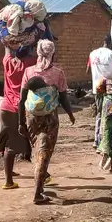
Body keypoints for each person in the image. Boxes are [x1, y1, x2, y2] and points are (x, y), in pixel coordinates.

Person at [18, 39, 75, 204]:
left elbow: (21, 101)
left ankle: (40, 186)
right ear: (52, 54)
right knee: (44, 153)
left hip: (30, 117)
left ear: (38, 52)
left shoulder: (28, 72)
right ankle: (37, 193)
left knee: (38, 150)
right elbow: (64, 98)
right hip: (49, 118)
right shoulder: (58, 73)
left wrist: (20, 122)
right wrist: (70, 114)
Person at [0, 46, 36, 190]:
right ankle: (42, 174)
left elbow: (7, 47)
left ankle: (9, 180)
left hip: (5, 108)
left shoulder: (8, 61)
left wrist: (10, 40)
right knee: (32, 140)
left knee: (10, 145)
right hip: (20, 109)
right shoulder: (30, 63)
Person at [88, 35, 112, 151]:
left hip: (97, 88)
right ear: (111, 43)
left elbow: (88, 69)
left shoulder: (92, 53)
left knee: (99, 114)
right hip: (109, 88)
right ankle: (104, 141)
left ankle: (96, 140)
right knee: (109, 115)